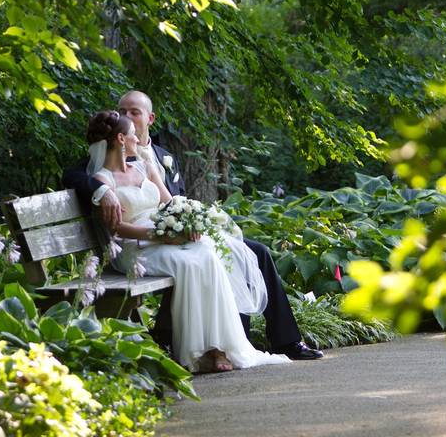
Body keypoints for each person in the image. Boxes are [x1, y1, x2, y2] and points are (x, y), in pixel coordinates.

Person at [64, 91, 322, 361]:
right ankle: (217, 347)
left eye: (134, 112)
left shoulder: (164, 157)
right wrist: (101, 191)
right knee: (214, 257)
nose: (127, 116)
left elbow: (175, 200)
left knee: (254, 252)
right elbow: (75, 176)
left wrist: (194, 220)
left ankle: (284, 342)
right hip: (149, 240)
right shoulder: (100, 163)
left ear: (150, 118)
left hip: (177, 229)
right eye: (122, 111)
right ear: (118, 135)